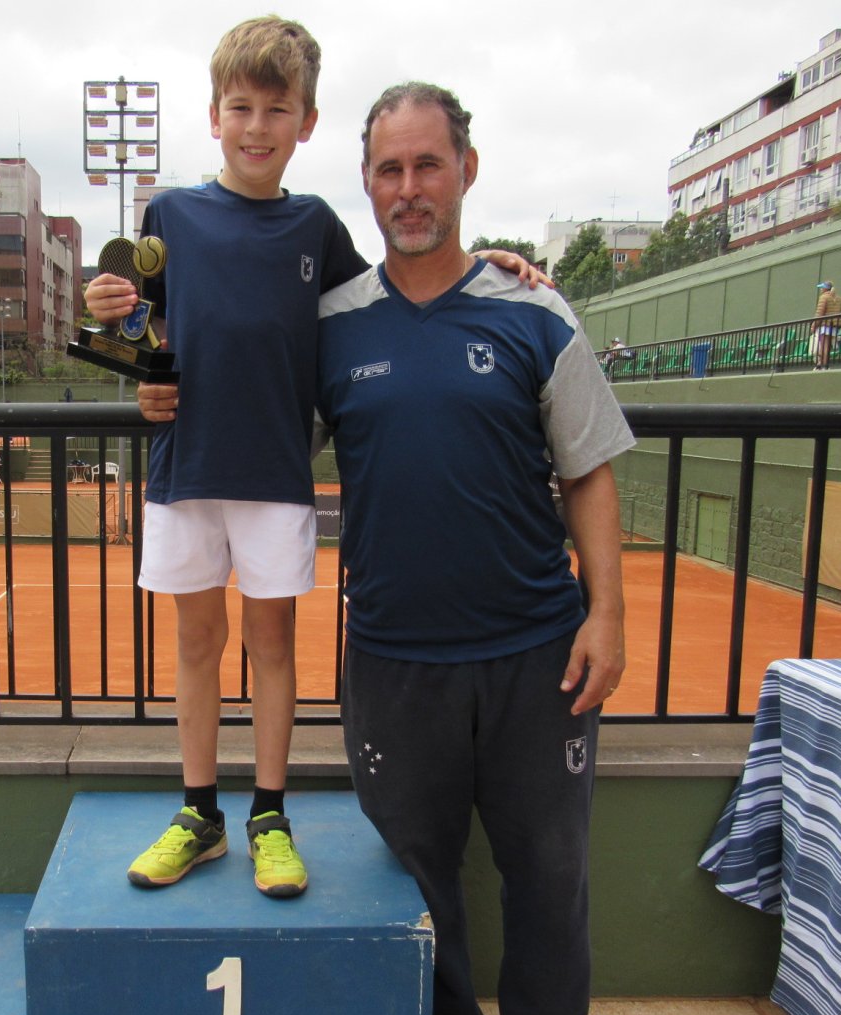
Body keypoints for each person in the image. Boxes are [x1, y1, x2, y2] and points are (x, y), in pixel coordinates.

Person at [91, 17, 543, 900]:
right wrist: (129, 358)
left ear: (306, 122)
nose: (257, 127)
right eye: (240, 108)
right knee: (195, 642)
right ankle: (198, 814)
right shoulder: (168, 214)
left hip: (275, 475)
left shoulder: (316, 226)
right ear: (214, 116)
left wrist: (481, 262)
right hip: (185, 470)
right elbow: (140, 329)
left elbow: (392, 286)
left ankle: (268, 816)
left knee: (270, 645)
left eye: (277, 110)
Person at [313, 83, 634, 1015]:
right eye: (389, 169)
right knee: (419, 876)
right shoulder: (330, 327)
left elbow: (588, 468)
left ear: (467, 170)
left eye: (428, 165)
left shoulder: (535, 311)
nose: (409, 188)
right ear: (367, 183)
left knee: (549, 872)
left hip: (539, 653)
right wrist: (152, 373)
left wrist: (607, 613)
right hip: (395, 659)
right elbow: (238, 405)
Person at [813, 280, 841, 369]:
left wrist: (814, 325)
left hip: (824, 324)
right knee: (827, 345)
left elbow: (820, 312)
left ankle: (823, 364)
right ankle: (823, 363)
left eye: (822, 288)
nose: (821, 289)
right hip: (834, 324)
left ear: (825, 289)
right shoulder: (839, 298)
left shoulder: (823, 297)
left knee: (823, 345)